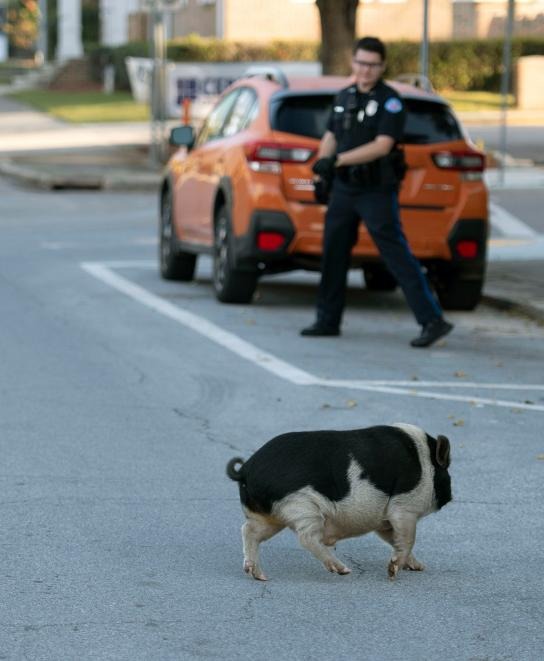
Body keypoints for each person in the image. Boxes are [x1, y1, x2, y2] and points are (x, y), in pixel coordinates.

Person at [301, 36, 453, 348]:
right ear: (353, 62)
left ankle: (432, 320)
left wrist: (338, 160)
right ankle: (327, 320)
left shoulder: (390, 101)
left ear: (382, 67)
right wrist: (321, 166)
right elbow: (331, 134)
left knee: (395, 254)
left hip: (375, 190)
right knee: (333, 253)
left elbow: (382, 146)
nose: (365, 70)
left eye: (372, 65)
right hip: (344, 188)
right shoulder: (345, 96)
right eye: (360, 63)